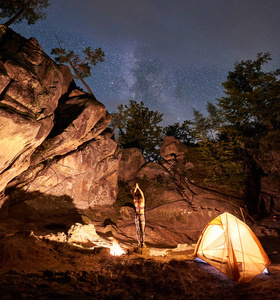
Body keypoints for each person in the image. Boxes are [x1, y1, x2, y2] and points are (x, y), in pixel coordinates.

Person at [133, 183, 146, 248]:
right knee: (142, 230)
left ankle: (139, 242)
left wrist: (136, 188)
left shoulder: (135, 201)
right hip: (142, 215)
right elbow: (142, 194)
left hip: (137, 215)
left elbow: (134, 193)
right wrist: (138, 188)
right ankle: (143, 243)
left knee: (138, 230)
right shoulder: (142, 201)